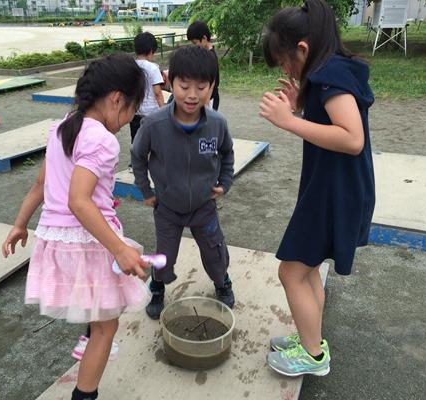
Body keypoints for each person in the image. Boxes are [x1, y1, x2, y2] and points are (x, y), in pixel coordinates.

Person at [1, 53, 151, 400]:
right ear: (117, 100)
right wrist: (119, 247)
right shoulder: (102, 139)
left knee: (99, 311)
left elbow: (41, 185)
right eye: (132, 110)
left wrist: (20, 224)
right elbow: (79, 201)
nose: (129, 119)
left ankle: (90, 336)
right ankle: (84, 394)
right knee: (107, 327)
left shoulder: (63, 127)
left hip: (57, 239)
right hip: (88, 243)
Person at [259, 0, 375, 377]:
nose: (287, 70)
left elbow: (352, 138)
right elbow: (331, 118)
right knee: (307, 270)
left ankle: (312, 356)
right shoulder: (330, 72)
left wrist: (288, 122)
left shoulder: (329, 74)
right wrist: (302, 105)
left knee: (291, 273)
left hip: (334, 194)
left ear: (303, 48)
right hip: (330, 188)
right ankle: (312, 337)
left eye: (285, 61)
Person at [131, 45, 235, 320]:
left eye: (201, 87)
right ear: (170, 83)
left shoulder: (217, 123)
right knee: (164, 255)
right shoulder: (154, 124)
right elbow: (137, 155)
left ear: (212, 87)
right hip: (167, 207)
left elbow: (227, 152)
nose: (192, 95)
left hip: (204, 206)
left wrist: (225, 182)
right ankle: (157, 286)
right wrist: (146, 190)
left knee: (214, 252)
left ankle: (222, 281)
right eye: (184, 85)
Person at [128, 32, 165, 172]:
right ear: (151, 51)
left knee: (136, 138)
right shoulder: (153, 68)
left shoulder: (131, 66)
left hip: (135, 111)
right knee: (154, 139)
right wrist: (163, 110)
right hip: (152, 112)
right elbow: (158, 92)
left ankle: (134, 164)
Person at [187, 20, 220, 110]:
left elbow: (212, 81)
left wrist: (206, 102)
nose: (194, 46)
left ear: (204, 38)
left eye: (195, 43)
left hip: (210, 99)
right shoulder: (203, 53)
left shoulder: (211, 56)